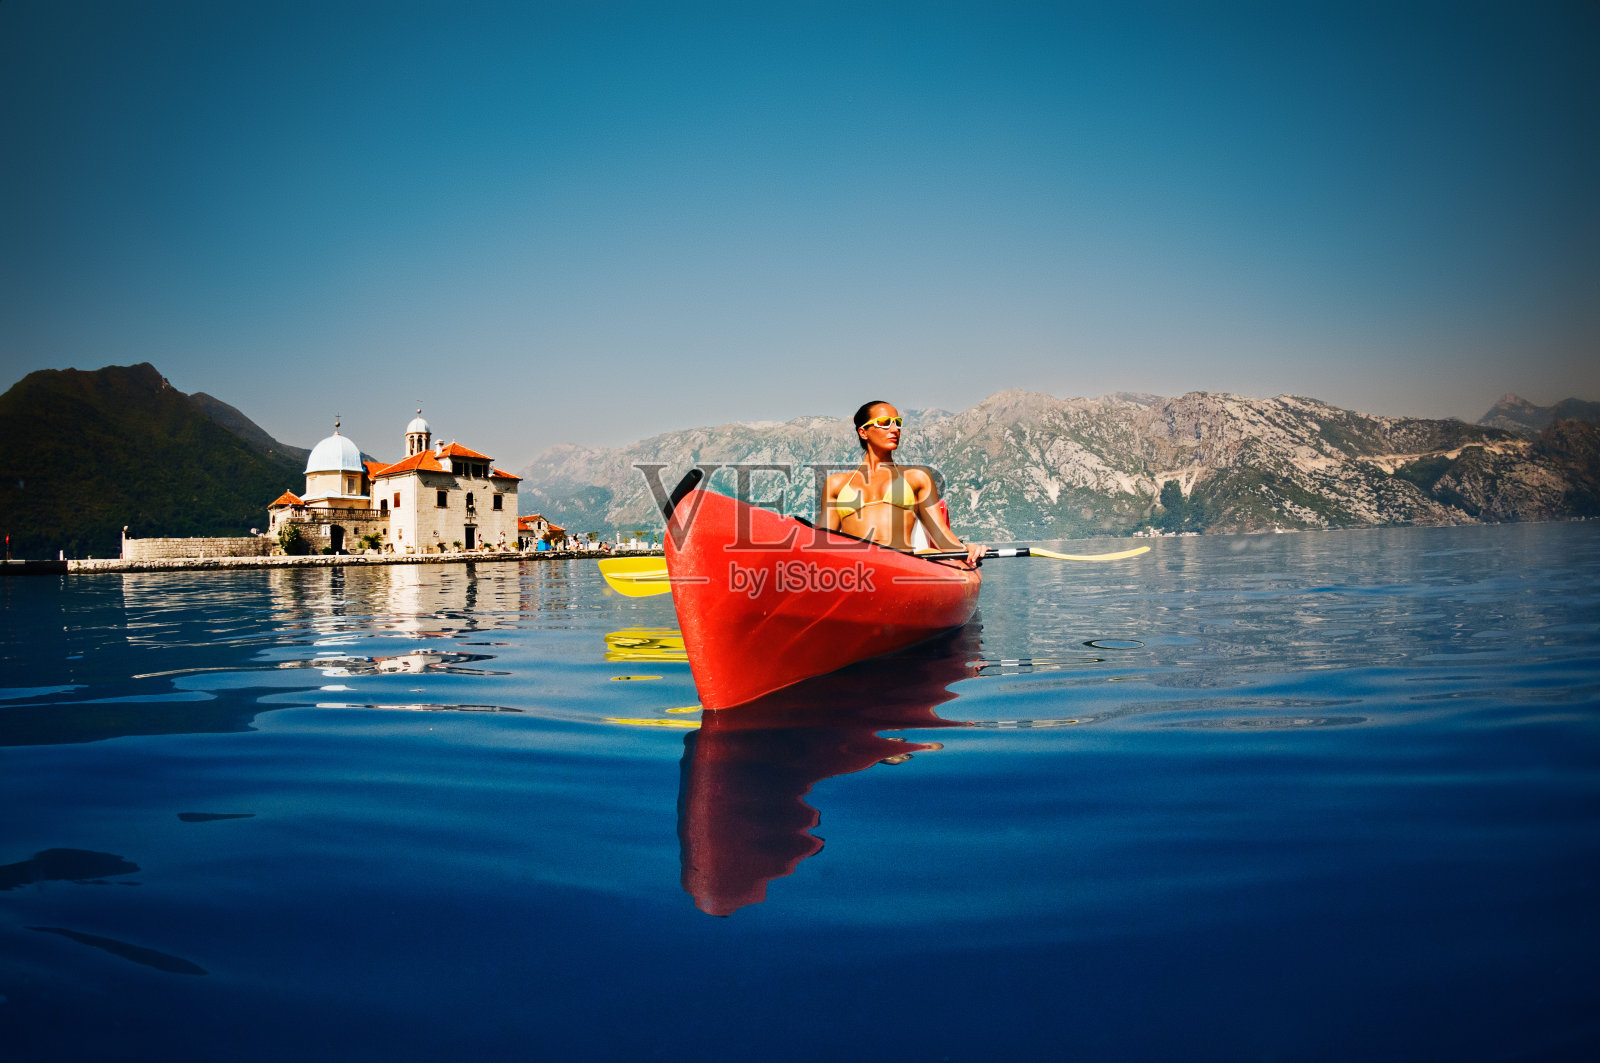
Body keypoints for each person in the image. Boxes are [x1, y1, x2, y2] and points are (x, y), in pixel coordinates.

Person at [823, 400, 984, 566]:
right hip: (857, 569)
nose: (894, 429)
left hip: (900, 566)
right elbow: (823, 542)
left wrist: (966, 549)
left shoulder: (917, 477)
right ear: (863, 432)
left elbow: (940, 535)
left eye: (897, 423)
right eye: (884, 423)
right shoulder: (836, 484)